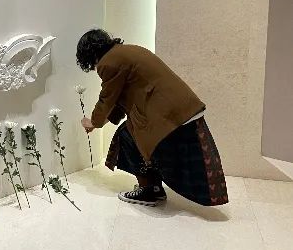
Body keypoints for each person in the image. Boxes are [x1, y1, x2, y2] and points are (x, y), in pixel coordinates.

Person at [76, 29, 228, 207]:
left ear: (90, 53)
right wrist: (99, 123)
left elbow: (107, 99)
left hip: (167, 115)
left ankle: (149, 190)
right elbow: (119, 101)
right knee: (129, 133)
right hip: (183, 109)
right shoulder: (127, 51)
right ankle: (153, 188)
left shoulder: (109, 62)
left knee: (126, 138)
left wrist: (94, 122)